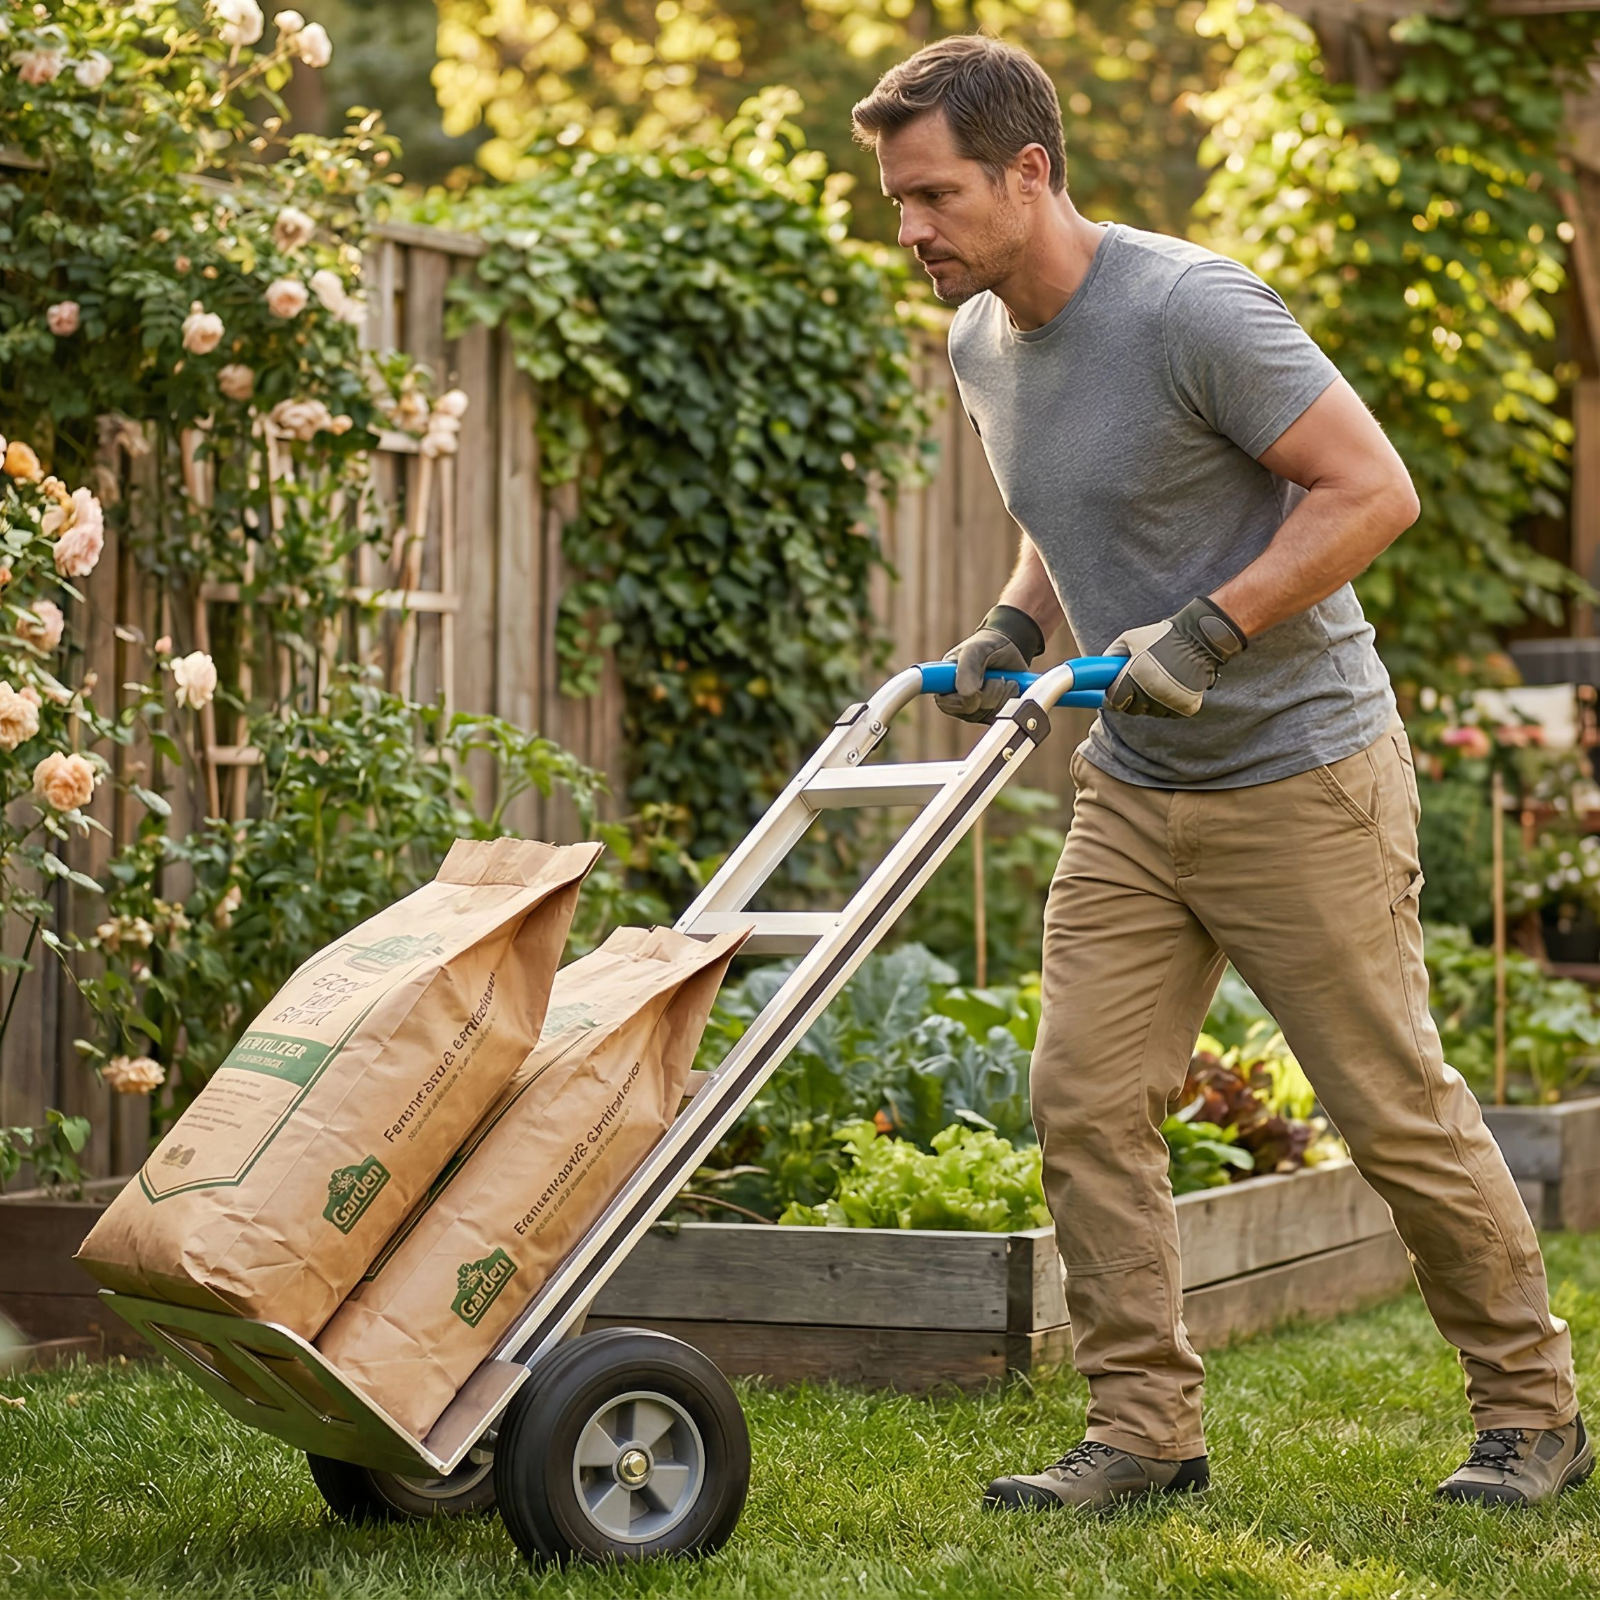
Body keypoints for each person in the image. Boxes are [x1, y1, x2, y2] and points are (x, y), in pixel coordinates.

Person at [850, 34, 1589, 1512]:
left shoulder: (1191, 308)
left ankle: (1534, 1414)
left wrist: (1209, 628)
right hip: (1138, 786)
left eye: (934, 196)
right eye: (899, 202)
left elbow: (1371, 489)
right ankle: (1143, 1431)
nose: (911, 230)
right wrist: (1017, 622)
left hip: (1301, 767)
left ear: (1028, 172)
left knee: (1390, 1110)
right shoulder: (983, 339)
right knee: (1083, 1097)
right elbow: (1079, 501)